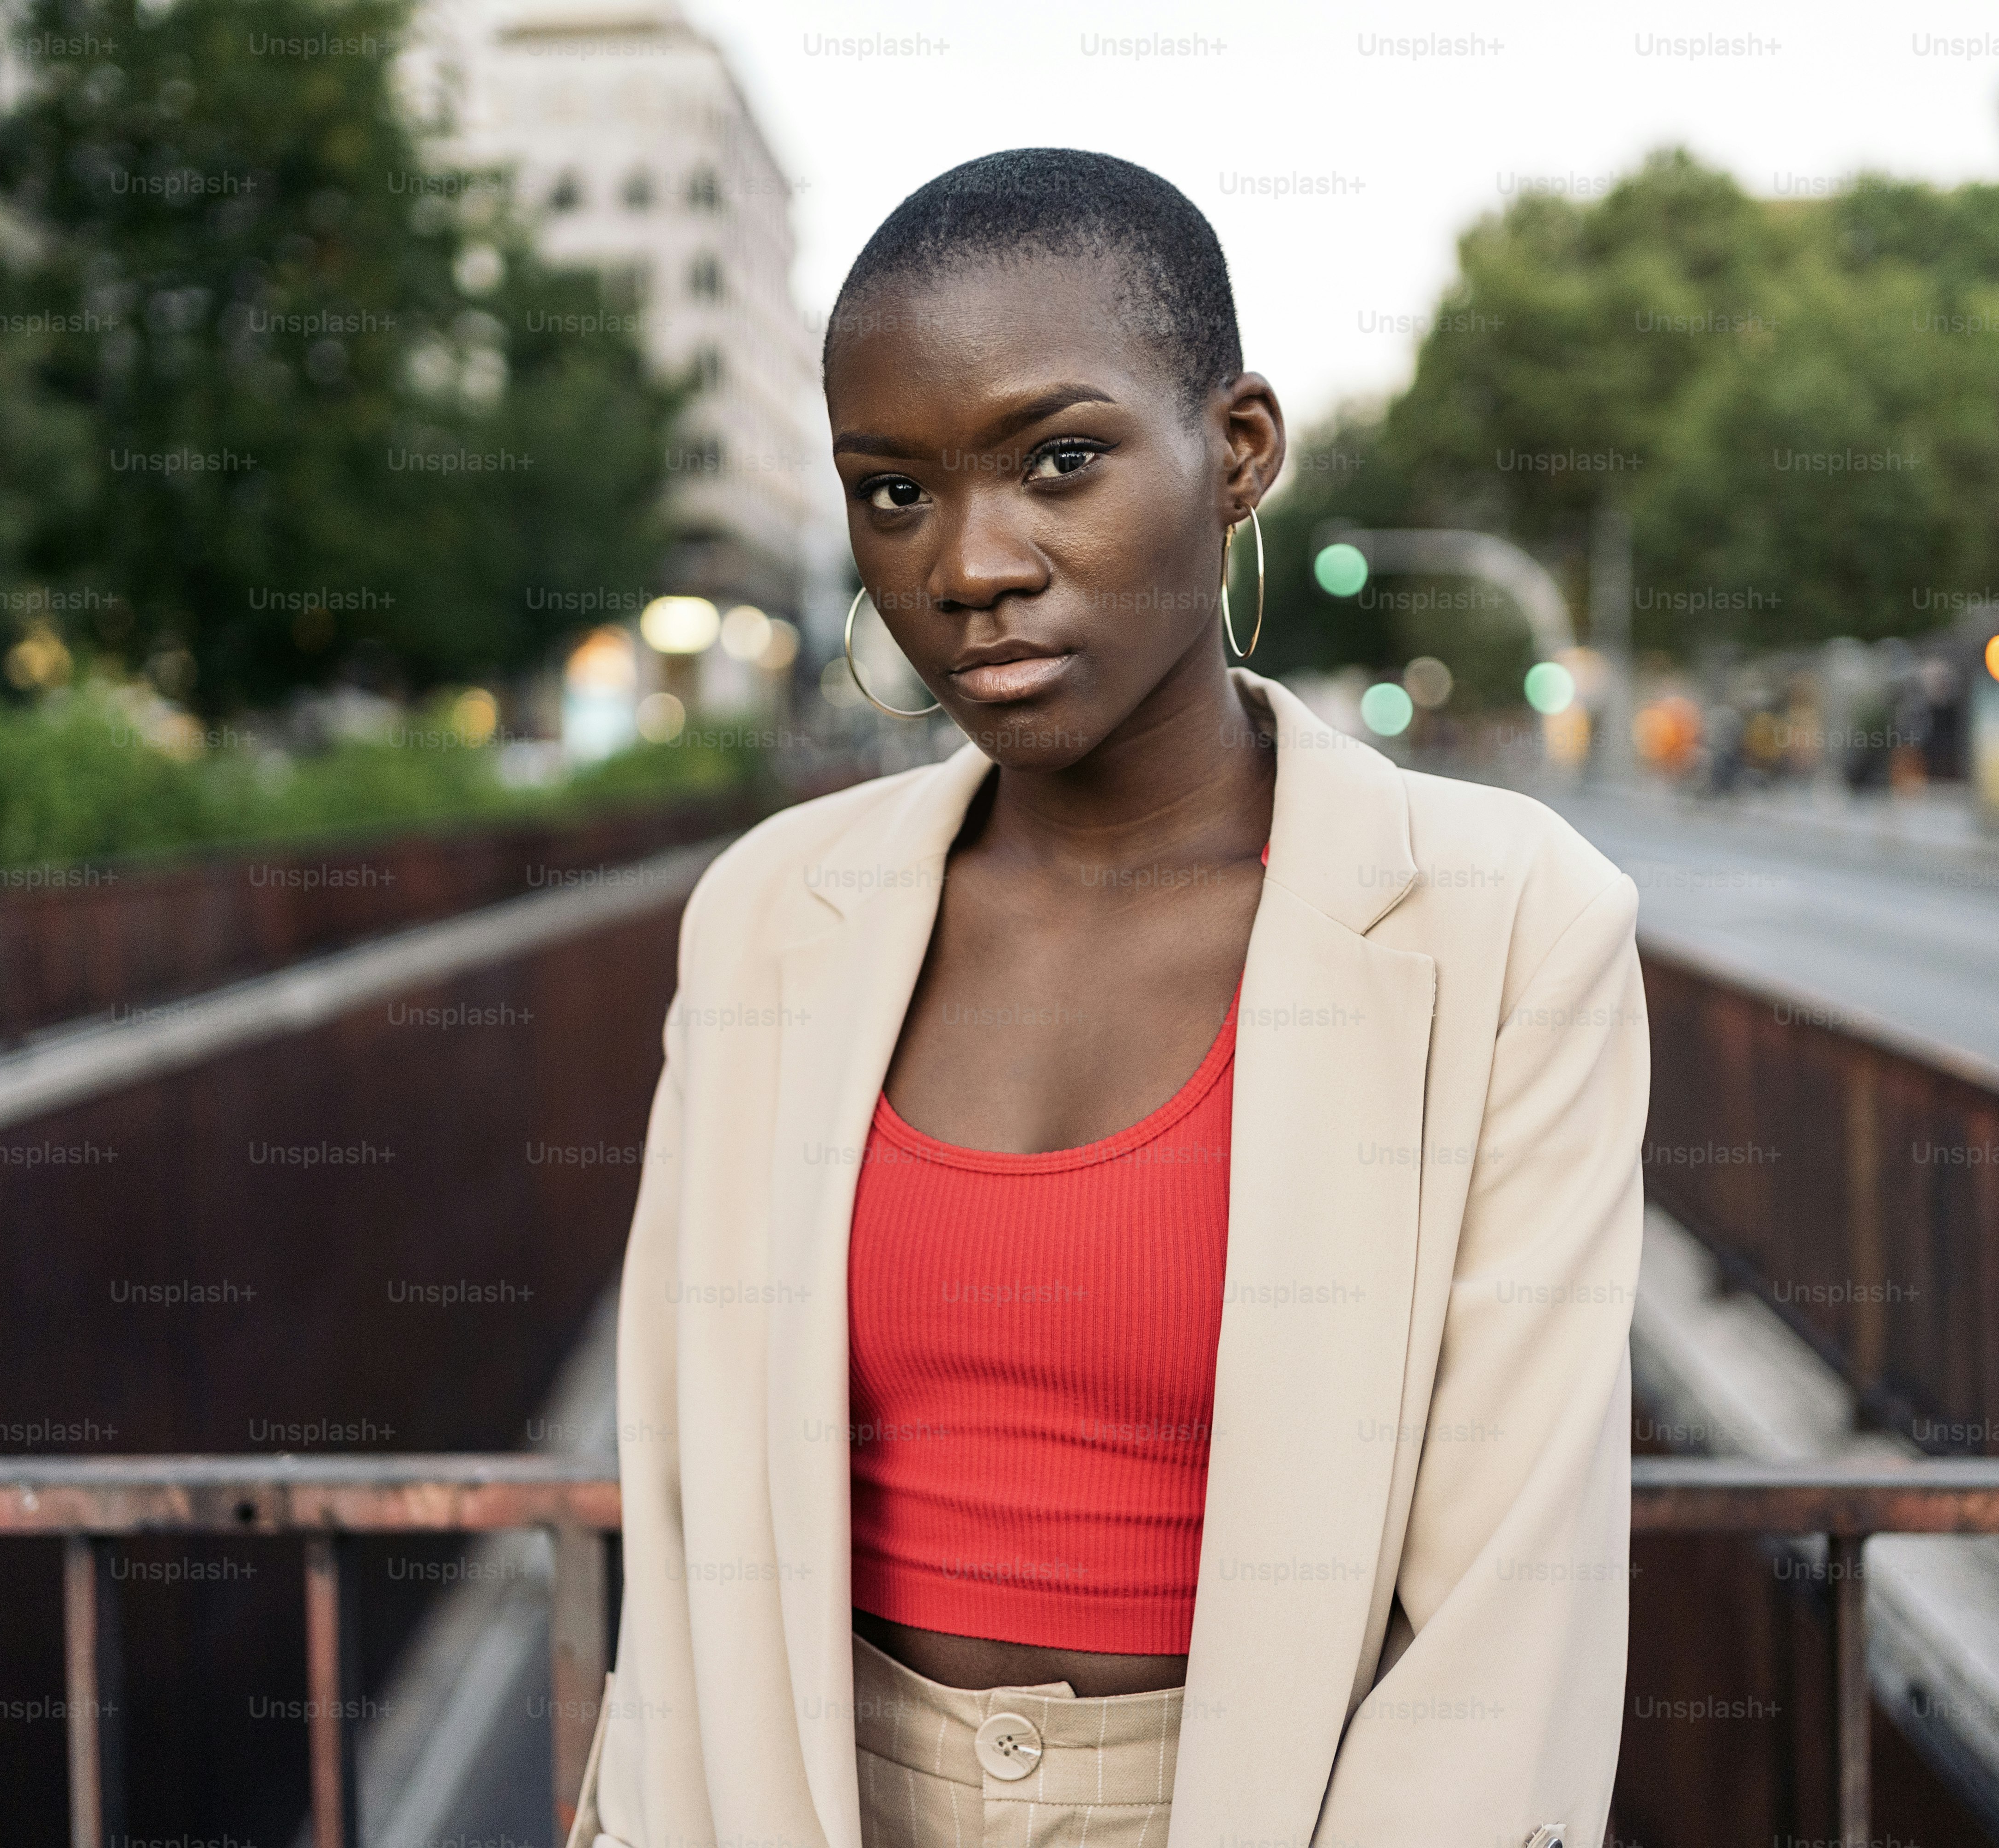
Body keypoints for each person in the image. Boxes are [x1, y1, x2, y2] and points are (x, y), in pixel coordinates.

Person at [571, 149, 1646, 1848]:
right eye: (895, 492)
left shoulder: (1511, 926)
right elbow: (690, 1506)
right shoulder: (769, 917)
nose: (970, 565)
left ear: (1240, 452)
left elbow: (1506, 1629)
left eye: (1058, 461)